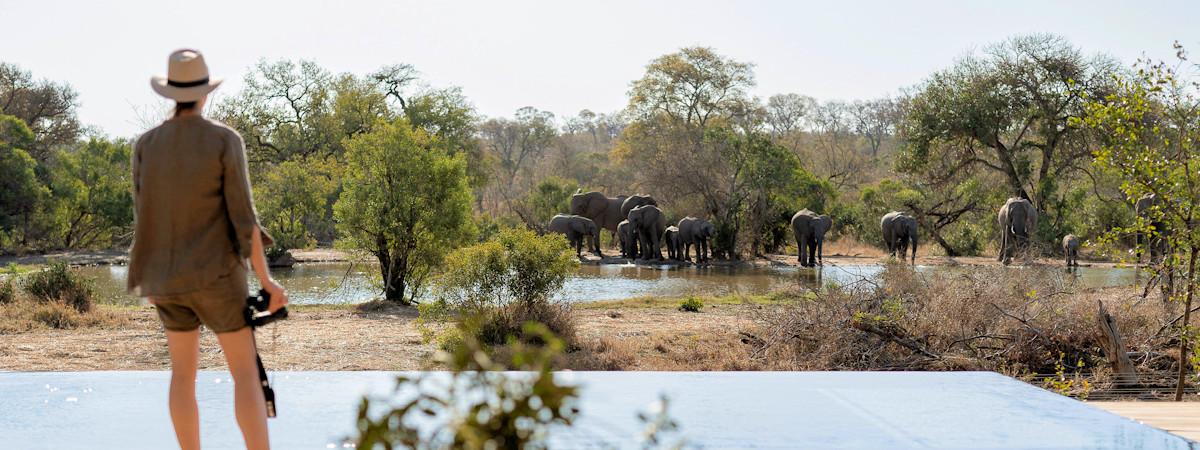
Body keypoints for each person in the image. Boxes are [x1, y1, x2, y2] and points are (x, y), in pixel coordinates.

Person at [128, 49, 288, 450]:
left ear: (171, 93)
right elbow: (244, 219)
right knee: (245, 374)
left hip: (166, 280)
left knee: (182, 376)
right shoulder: (223, 139)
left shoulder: (145, 144)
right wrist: (267, 281)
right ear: (204, 93)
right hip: (217, 278)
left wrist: (149, 277)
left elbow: (143, 215)